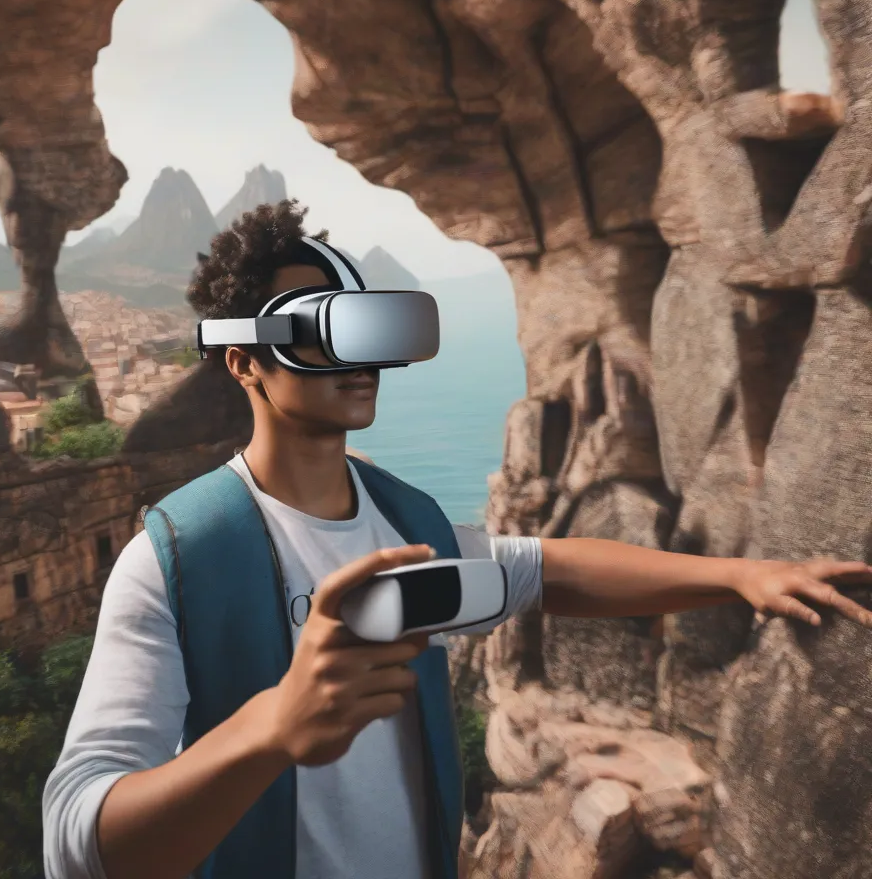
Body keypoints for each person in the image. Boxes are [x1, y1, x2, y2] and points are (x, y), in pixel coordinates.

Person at [43, 199, 872, 879]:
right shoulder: (176, 559)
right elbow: (76, 845)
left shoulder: (411, 526)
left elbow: (545, 572)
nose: (355, 355)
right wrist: (271, 729)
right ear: (243, 362)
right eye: (314, 327)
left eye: (362, 324)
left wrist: (739, 576)